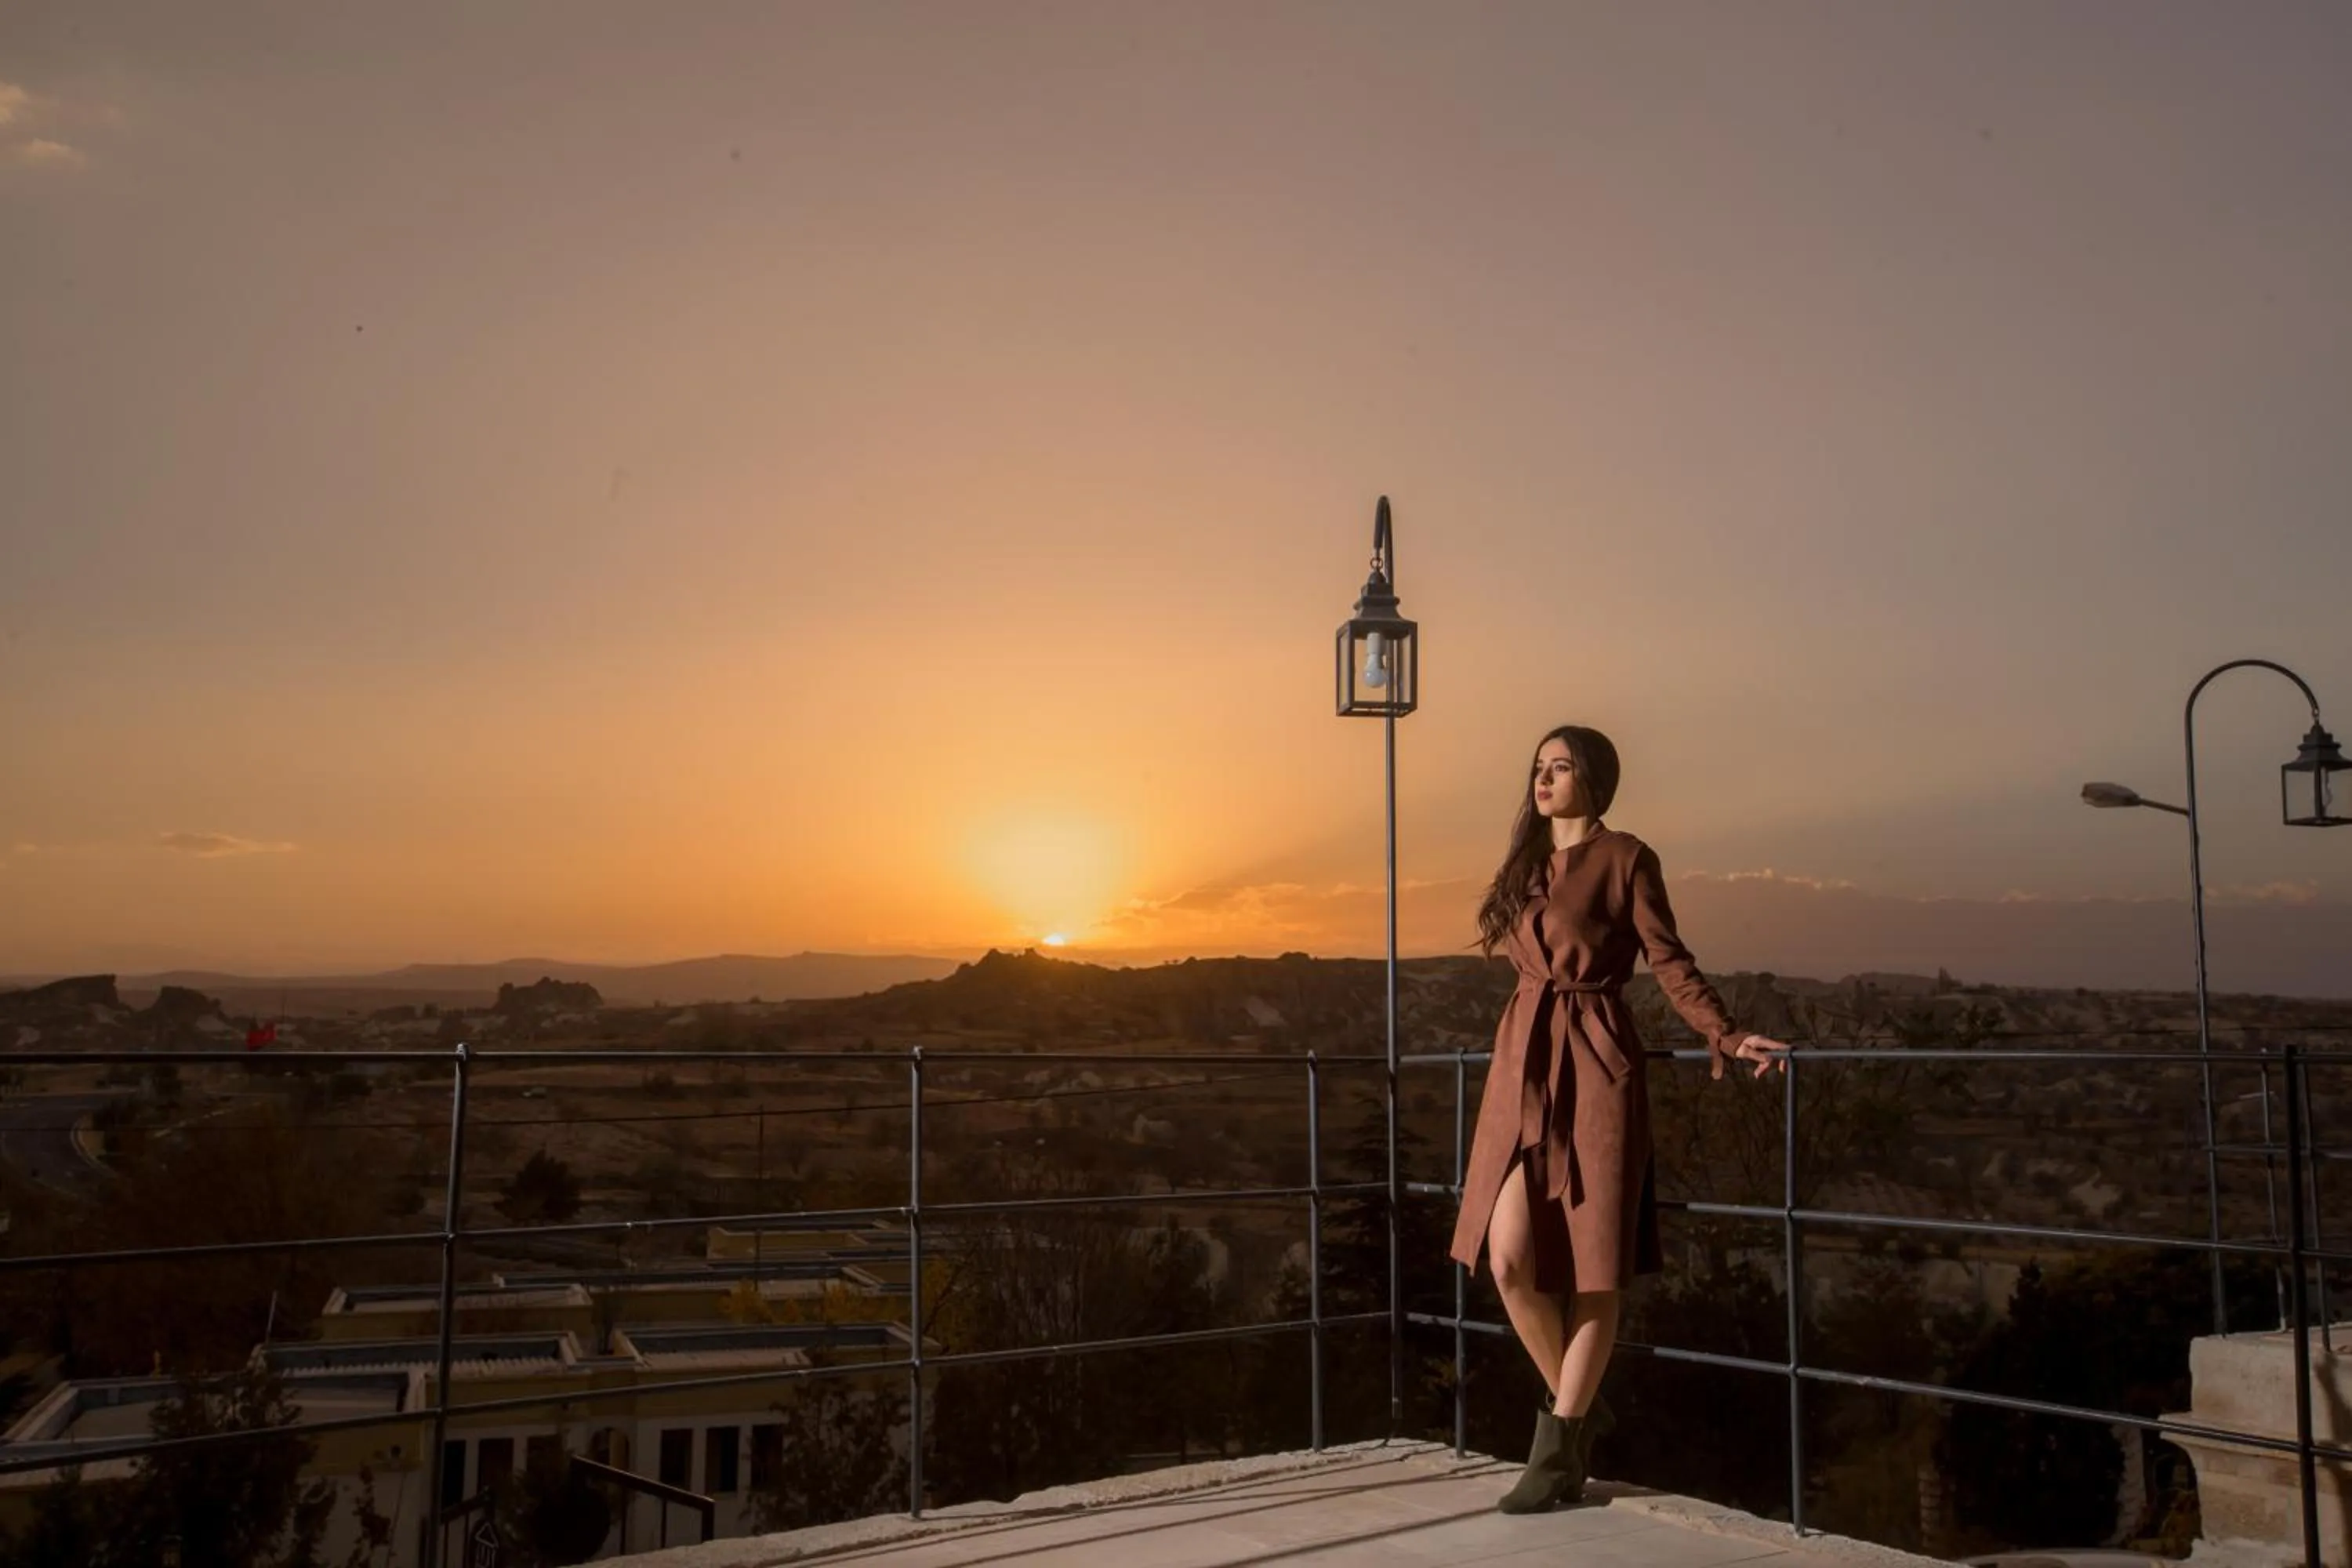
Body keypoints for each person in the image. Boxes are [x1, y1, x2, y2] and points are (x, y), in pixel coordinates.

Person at [1447, 724, 1788, 1513]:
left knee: (1596, 1267)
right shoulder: (1527, 864)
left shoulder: (1629, 857)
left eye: (1560, 767)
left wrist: (1725, 1033)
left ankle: (1559, 1446)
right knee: (1506, 1259)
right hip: (1521, 1066)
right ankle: (1578, 1403)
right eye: (1538, 765)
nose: (1544, 778)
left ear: (1594, 778)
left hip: (1597, 1067)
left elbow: (1669, 959)